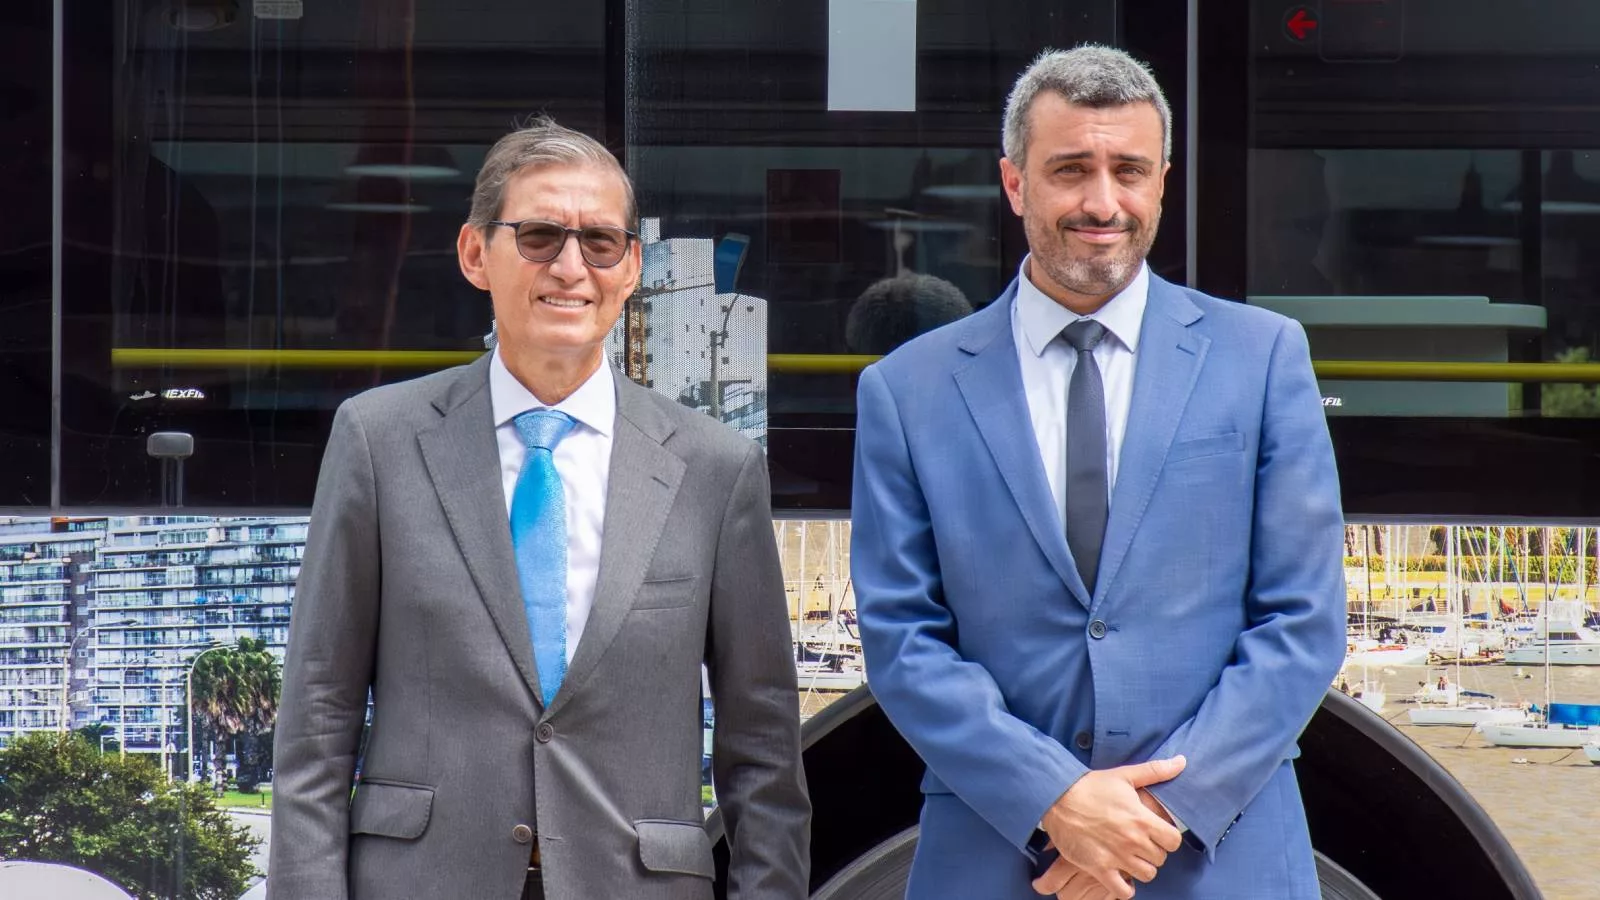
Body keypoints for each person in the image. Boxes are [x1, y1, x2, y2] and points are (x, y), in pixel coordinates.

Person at [850, 45, 1346, 900]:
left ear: (1163, 183)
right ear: (1015, 183)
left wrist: (1149, 818)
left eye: (1129, 171)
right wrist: (1055, 800)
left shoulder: (1263, 357)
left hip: (1218, 857)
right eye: (1071, 169)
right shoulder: (907, 390)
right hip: (1000, 858)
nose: (1103, 202)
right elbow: (902, 640)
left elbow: (1302, 621)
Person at [269, 117, 810, 900]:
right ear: (474, 254)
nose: (571, 267)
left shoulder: (715, 469)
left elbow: (763, 749)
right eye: (539, 236)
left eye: (601, 242)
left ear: (631, 267)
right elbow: (318, 716)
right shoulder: (378, 441)